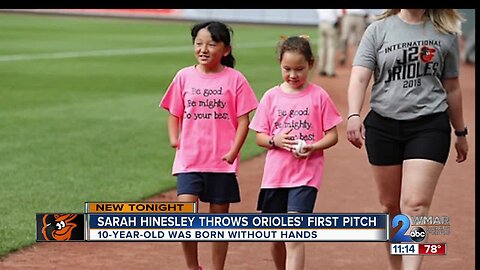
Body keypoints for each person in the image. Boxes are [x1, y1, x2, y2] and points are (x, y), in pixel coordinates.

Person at [345, 9, 468, 270]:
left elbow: (452, 86)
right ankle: (396, 266)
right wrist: (354, 113)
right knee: (391, 207)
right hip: (383, 126)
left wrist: (460, 132)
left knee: (414, 206)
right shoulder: (377, 29)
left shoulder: (445, 32)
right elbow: (359, 76)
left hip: (429, 124)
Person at [159, 21, 259, 270]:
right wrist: (174, 138)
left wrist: (234, 151)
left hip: (221, 162)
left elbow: (243, 120)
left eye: (211, 44)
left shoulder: (235, 79)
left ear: (225, 49)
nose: (203, 49)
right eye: (199, 43)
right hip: (189, 159)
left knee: (218, 221)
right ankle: (193, 266)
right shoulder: (184, 76)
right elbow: (174, 112)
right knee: (185, 214)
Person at [249, 35, 342, 270]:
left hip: (306, 176)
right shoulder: (271, 96)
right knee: (276, 236)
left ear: (311, 64)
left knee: (294, 234)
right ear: (280, 64)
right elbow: (260, 137)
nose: (293, 74)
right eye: (287, 68)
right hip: (275, 176)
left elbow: (332, 135)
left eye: (299, 69)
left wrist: (314, 146)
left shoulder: (318, 96)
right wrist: (275, 140)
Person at [316, 9, 342, 77]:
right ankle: (330, 70)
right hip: (331, 24)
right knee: (331, 48)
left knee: (322, 48)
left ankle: (321, 69)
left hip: (322, 23)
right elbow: (339, 15)